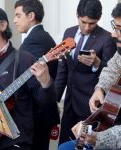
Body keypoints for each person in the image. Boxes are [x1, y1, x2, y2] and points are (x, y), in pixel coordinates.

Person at [0, 5, 58, 150]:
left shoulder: (25, 60)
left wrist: (46, 82)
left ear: (3, 25)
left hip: (15, 143)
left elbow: (46, 104)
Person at [58, 3, 121, 150]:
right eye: (115, 27)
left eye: (119, 29)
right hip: (73, 104)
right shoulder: (120, 53)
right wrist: (100, 88)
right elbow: (112, 69)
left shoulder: (106, 39)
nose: (113, 34)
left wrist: (97, 138)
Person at [14, 1, 59, 150]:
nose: (14, 20)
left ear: (31, 16)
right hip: (40, 115)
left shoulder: (34, 41)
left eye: (18, 15)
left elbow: (29, 80)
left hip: (36, 116)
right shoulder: (42, 37)